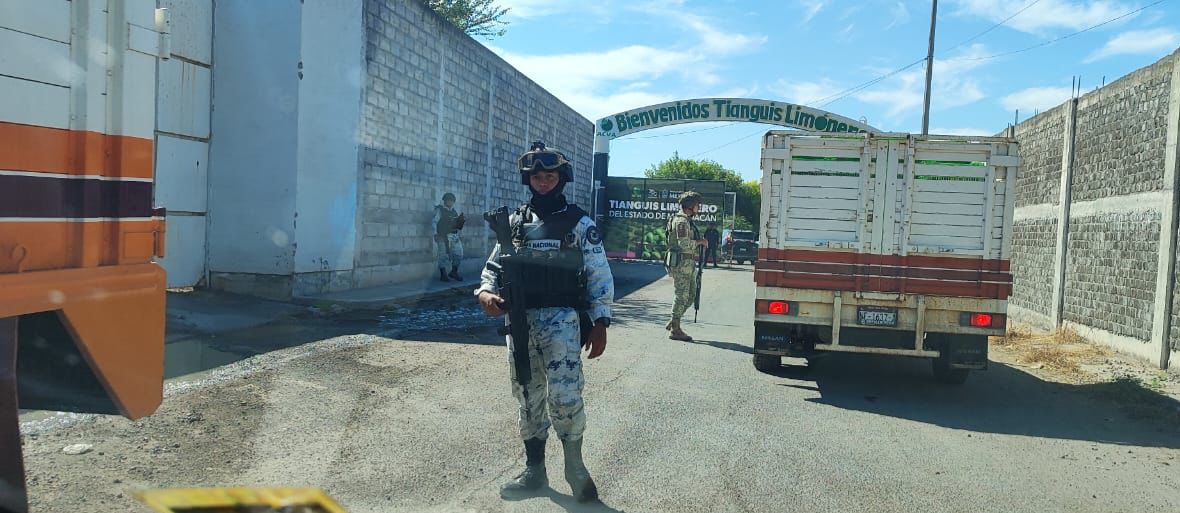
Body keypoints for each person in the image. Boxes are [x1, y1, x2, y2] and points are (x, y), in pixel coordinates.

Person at [475, 141, 613, 503]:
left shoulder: (579, 223)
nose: (543, 181)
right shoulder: (513, 224)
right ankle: (534, 470)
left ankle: (574, 467)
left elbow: (598, 273)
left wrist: (601, 321)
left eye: (549, 175)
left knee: (565, 396)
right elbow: (492, 269)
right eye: (536, 176)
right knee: (527, 395)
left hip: (563, 323)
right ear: (528, 180)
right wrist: (485, 294)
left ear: (561, 178)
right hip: (520, 323)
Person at [665, 191, 708, 341]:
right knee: (681, 296)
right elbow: (684, 244)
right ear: (690, 206)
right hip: (681, 264)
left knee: (691, 296)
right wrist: (700, 242)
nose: (698, 208)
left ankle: (674, 320)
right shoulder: (681, 221)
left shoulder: (687, 220)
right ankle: (675, 330)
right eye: (697, 205)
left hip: (688, 264)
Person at [433, 192, 466, 282]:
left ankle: (454, 272)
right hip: (442, 236)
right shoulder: (439, 210)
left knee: (459, 254)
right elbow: (434, 222)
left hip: (454, 236)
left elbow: (457, 225)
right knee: (442, 255)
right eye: (448, 200)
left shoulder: (454, 211)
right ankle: (443, 274)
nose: (450, 202)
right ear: (445, 201)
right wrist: (435, 234)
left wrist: (460, 232)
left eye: (451, 201)